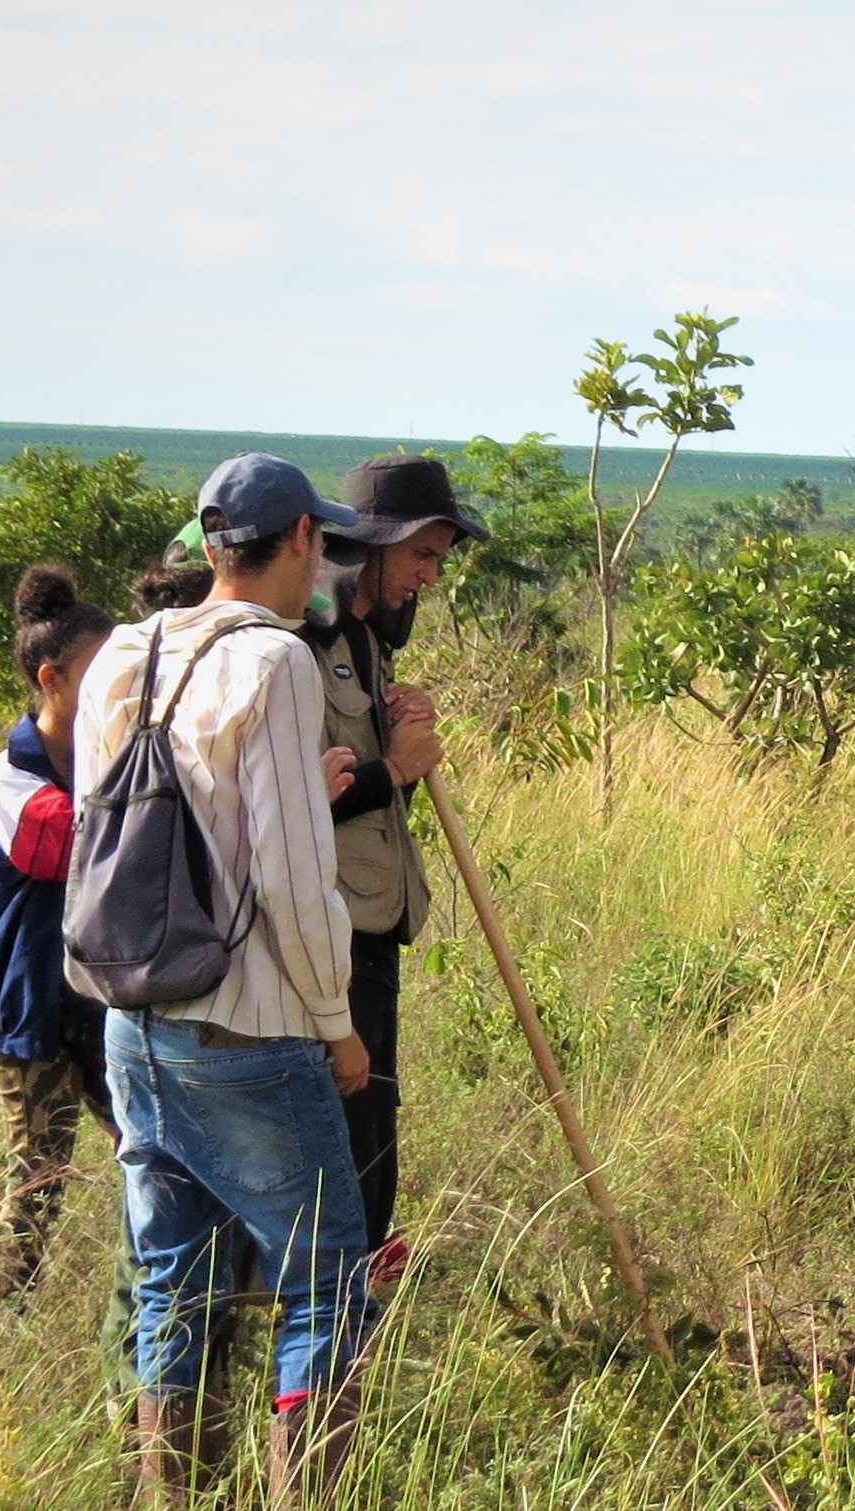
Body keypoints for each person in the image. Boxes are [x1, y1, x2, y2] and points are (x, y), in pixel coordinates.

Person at [82, 453, 373, 1504]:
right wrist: (338, 1025)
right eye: (320, 542)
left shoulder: (125, 651)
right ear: (298, 536)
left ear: (211, 543)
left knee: (172, 1285)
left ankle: (173, 1494)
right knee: (325, 1281)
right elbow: (295, 880)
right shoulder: (278, 662)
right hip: (245, 1031)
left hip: (132, 1019)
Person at [306, 454, 486, 1279]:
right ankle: (326, 1363)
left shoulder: (368, 645)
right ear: (373, 542)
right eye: (422, 553)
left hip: (372, 931)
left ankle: (350, 1345)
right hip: (328, 936)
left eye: (438, 559)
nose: (428, 576)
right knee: (345, 1155)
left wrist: (397, 724)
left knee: (376, 1142)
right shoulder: (303, 642)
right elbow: (287, 811)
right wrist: (396, 768)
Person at [0, 566, 119, 1297]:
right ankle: (10, 1315)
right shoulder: (7, 778)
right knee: (38, 1176)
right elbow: (70, 849)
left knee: (151, 1152)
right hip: (31, 1002)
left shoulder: (106, 759)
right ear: (51, 677)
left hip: (101, 995)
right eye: (103, 672)